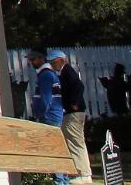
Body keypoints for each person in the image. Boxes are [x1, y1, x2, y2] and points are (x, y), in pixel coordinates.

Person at [25, 49, 70, 185]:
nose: (31, 62)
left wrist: (39, 114)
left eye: (33, 59)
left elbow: (46, 99)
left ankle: (60, 181)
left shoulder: (45, 75)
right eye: (30, 60)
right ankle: (63, 179)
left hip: (49, 117)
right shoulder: (48, 74)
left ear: (41, 59)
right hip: (53, 116)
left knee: (53, 151)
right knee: (57, 149)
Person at [51, 50, 93, 185]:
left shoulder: (67, 72)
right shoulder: (65, 72)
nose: (52, 65)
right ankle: (80, 173)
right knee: (73, 141)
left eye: (54, 62)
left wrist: (74, 103)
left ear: (61, 60)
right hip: (72, 112)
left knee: (75, 142)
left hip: (74, 113)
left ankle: (84, 174)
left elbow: (79, 86)